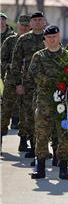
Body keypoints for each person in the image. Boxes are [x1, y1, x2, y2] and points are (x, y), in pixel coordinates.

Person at [28, 25, 68, 179]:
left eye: (54, 36)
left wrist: (61, 84)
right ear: (45, 39)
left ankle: (63, 167)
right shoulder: (39, 56)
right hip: (44, 102)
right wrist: (57, 81)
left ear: (59, 37)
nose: (52, 40)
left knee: (63, 134)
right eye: (49, 37)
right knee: (41, 133)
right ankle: (40, 168)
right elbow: (35, 75)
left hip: (63, 102)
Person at [10, 11, 46, 159]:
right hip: (28, 84)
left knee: (44, 116)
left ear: (44, 22)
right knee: (29, 116)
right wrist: (18, 83)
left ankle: (43, 148)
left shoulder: (50, 37)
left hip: (45, 85)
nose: (37, 22)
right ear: (30, 23)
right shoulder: (24, 40)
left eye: (40, 20)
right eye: (35, 20)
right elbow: (16, 63)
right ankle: (33, 147)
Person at [1, 15, 31, 151]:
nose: (24, 28)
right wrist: (11, 65)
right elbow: (2, 60)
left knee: (25, 112)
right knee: (6, 110)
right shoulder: (10, 41)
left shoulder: (33, 41)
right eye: (22, 25)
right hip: (11, 81)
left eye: (26, 25)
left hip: (28, 83)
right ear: (18, 25)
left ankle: (23, 140)